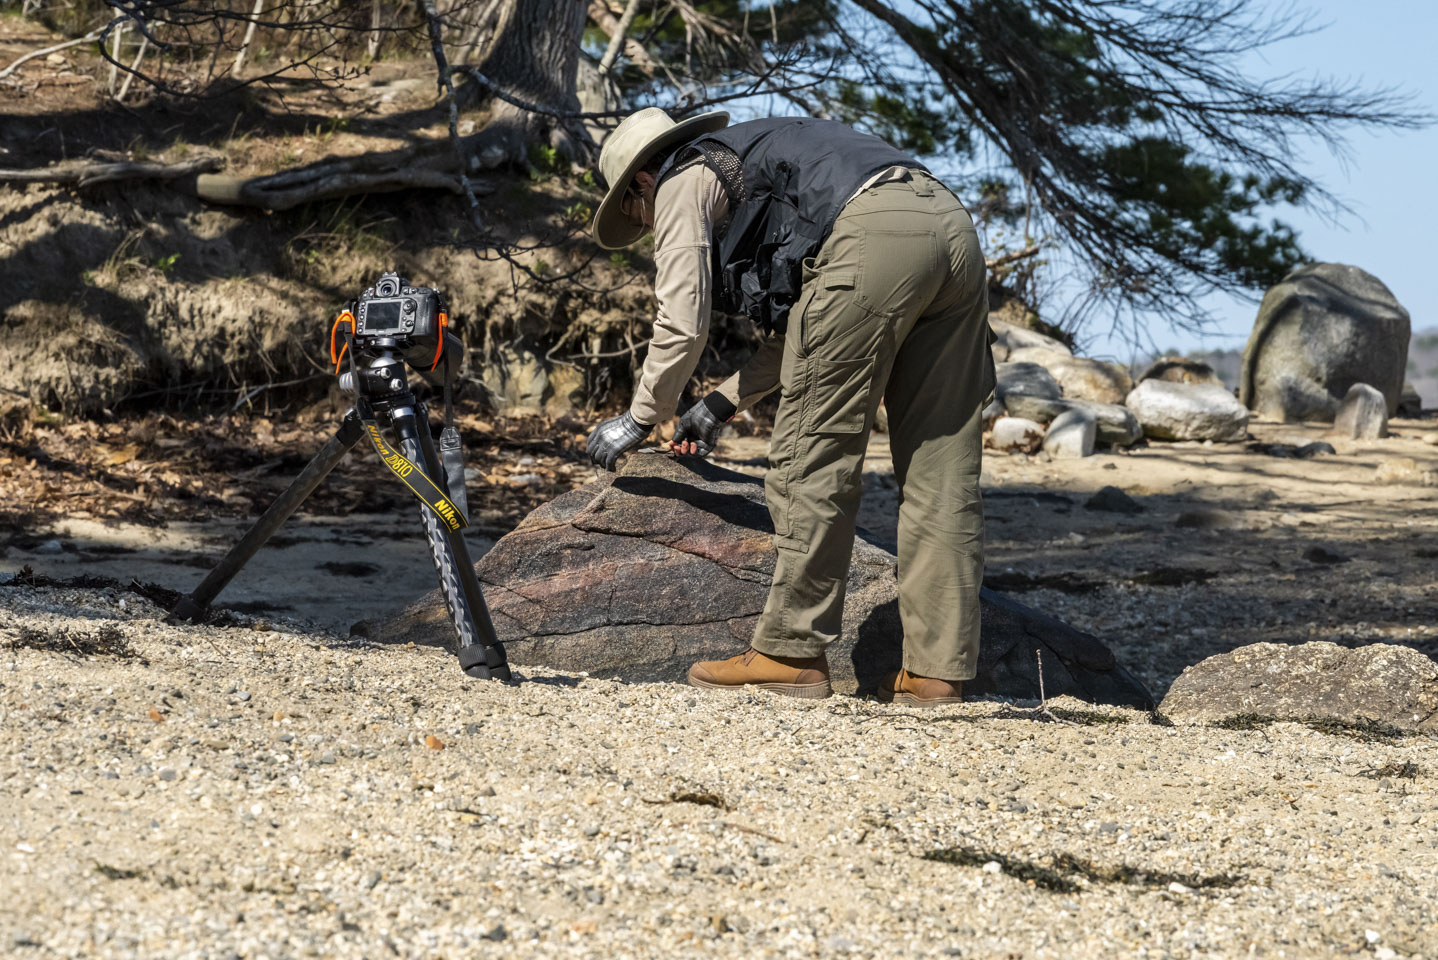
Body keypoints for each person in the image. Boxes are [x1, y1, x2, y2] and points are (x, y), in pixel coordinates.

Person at [584, 108, 992, 706]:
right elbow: (805, 327)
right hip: (950, 224)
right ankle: (937, 673)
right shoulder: (769, 158)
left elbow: (681, 321)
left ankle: (789, 654)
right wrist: (716, 407)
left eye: (637, 217)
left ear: (641, 183)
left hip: (872, 239)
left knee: (813, 456)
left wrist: (639, 417)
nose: (649, 230)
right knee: (942, 468)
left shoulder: (677, 180)